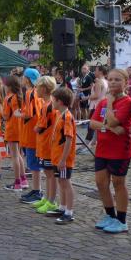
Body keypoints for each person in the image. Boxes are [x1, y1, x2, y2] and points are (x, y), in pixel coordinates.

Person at [89, 69, 131, 233]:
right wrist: (108, 127)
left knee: (118, 183)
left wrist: (109, 104)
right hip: (102, 149)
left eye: (117, 79)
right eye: (111, 79)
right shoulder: (102, 102)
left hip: (119, 150)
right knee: (101, 182)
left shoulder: (127, 102)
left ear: (126, 82)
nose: (113, 82)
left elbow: (115, 121)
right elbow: (92, 123)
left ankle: (121, 220)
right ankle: (110, 215)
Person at [31, 76, 58, 214]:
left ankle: (51, 201)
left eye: (37, 87)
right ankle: (47, 198)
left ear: (44, 88)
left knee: (50, 174)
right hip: (44, 144)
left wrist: (36, 128)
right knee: (47, 173)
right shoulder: (46, 104)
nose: (35, 89)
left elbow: (40, 126)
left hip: (48, 145)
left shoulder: (48, 106)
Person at [50, 87, 76, 224]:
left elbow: (68, 139)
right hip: (57, 156)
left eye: (53, 100)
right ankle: (63, 207)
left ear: (59, 101)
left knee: (66, 182)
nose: (52, 102)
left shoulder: (67, 117)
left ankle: (69, 212)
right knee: (61, 181)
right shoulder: (60, 114)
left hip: (63, 158)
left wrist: (63, 159)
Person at [17, 68, 42, 203]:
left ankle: (37, 191)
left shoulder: (29, 93)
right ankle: (36, 189)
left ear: (27, 79)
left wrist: (18, 114)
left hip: (31, 133)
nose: (22, 79)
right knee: (34, 164)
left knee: (34, 164)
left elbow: (29, 114)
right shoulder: (36, 92)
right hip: (34, 132)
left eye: (23, 77)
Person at [2, 75, 25, 191]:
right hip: (20, 128)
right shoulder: (19, 97)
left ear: (9, 87)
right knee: (19, 155)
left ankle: (17, 183)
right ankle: (23, 179)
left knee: (14, 156)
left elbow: (6, 116)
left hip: (11, 129)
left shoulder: (8, 98)